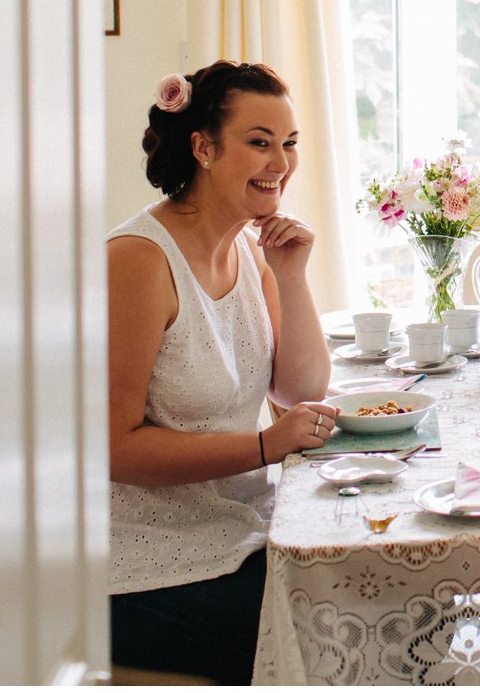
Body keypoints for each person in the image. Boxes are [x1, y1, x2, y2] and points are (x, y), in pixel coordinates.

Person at [107, 61, 338, 683]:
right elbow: (113, 449)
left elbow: (300, 389)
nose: (281, 163)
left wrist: (291, 274)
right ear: (203, 148)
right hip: (143, 567)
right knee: (336, 622)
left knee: (361, 584)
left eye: (289, 144)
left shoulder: (244, 243)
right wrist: (264, 446)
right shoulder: (137, 261)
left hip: (245, 529)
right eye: (259, 143)